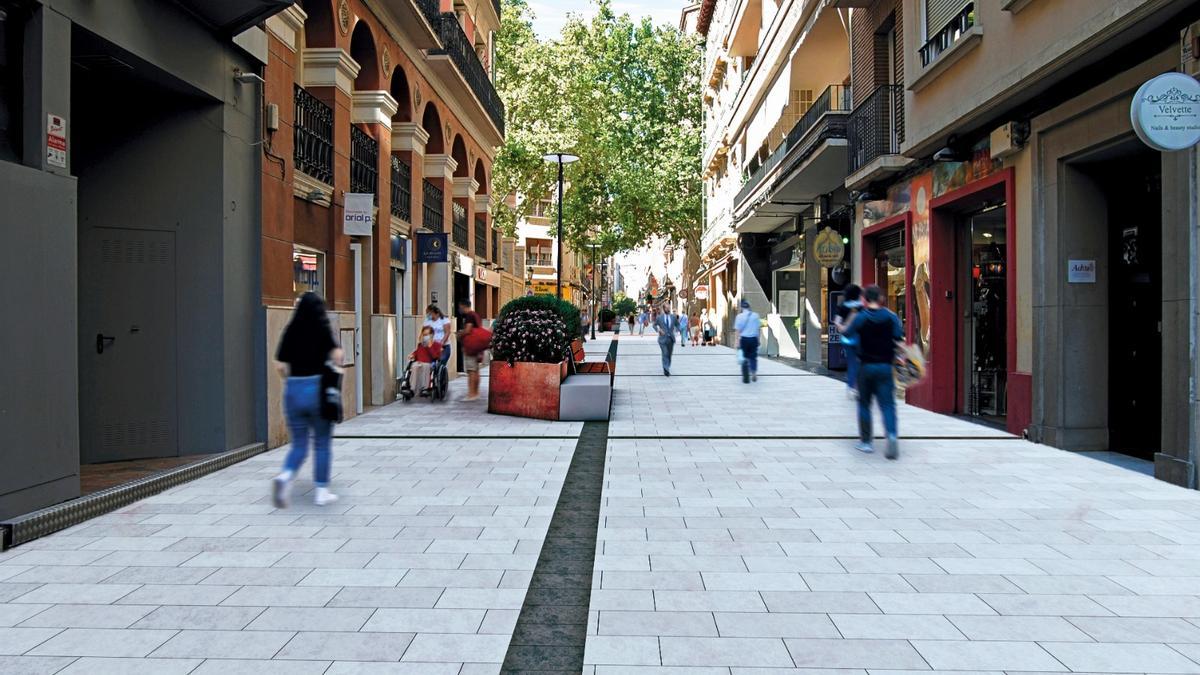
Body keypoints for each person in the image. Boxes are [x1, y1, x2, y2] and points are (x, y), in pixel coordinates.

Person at [272, 292, 343, 508]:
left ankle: (285, 477)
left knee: (299, 444)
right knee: (321, 443)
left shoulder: (290, 330)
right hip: (318, 389)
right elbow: (338, 357)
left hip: (293, 389)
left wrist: (290, 381)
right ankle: (321, 491)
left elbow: (280, 365)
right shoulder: (322, 329)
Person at [841, 284, 904, 459]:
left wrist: (852, 315)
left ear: (865, 300)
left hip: (866, 366)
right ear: (881, 299)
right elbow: (899, 341)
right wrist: (902, 357)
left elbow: (846, 333)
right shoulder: (891, 318)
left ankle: (867, 443)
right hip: (885, 367)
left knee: (864, 404)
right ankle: (891, 435)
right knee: (888, 405)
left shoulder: (861, 317)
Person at [833, 284, 864, 399]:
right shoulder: (862, 307)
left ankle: (851, 387)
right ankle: (859, 387)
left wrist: (843, 328)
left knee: (851, 363)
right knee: (861, 363)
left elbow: (837, 322)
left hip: (846, 339)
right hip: (860, 339)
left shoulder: (842, 306)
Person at [457, 299, 487, 401]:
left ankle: (471, 394)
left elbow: (468, 330)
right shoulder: (476, 315)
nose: (459, 309)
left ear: (463, 306)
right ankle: (476, 392)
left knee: (471, 371)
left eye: (460, 307)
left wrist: (459, 334)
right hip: (477, 346)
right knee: (476, 370)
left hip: (471, 346)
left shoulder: (469, 316)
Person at [410, 326, 443, 397]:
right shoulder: (420, 345)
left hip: (429, 363)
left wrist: (430, 346)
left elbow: (436, 356)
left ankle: (425, 388)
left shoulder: (437, 345)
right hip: (419, 362)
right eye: (424, 335)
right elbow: (417, 352)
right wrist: (412, 355)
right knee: (414, 366)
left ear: (432, 335)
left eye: (427, 335)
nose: (425, 337)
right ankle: (412, 389)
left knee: (425, 366)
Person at [734, 300, 761, 383]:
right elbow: (758, 329)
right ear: (749, 307)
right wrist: (758, 339)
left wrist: (736, 341)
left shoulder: (739, 316)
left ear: (742, 308)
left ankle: (745, 376)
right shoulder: (756, 316)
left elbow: (738, 331)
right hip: (753, 339)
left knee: (744, 357)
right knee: (753, 356)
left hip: (744, 339)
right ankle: (753, 372)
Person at [654, 309, 675, 376]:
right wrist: (659, 330)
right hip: (662, 339)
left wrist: (678, 331)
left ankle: (667, 366)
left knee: (669, 354)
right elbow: (654, 325)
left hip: (670, 339)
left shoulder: (673, 317)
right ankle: (666, 369)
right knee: (665, 353)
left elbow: (677, 325)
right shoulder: (659, 317)